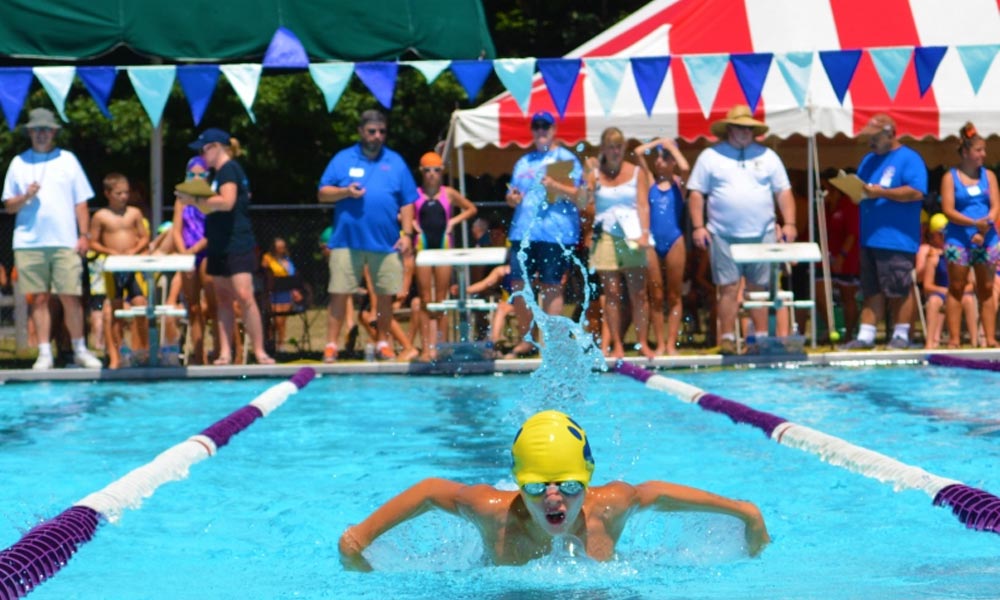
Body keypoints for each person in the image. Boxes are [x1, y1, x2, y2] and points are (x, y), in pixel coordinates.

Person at [338, 409, 770, 570]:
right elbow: (432, 490)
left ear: (586, 480)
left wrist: (743, 511)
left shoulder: (608, 507)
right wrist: (362, 535)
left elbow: (654, 492)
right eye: (535, 486)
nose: (553, 497)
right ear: (519, 485)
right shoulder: (495, 513)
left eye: (568, 485)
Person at [687, 105, 796, 355]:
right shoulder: (710, 156)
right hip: (723, 233)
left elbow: (783, 191)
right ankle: (726, 338)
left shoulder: (768, 156)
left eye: (749, 128)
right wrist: (698, 226)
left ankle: (758, 339)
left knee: (758, 288)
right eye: (740, 127)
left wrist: (789, 223)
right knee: (727, 287)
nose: (745, 132)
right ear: (729, 129)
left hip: (763, 232)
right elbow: (696, 193)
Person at [1, 107, 102, 370]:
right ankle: (44, 352)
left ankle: (80, 348)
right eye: (37, 130)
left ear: (54, 132)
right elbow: (9, 206)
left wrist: (84, 235)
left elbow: (81, 202)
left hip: (65, 240)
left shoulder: (68, 160)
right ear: (30, 133)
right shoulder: (18, 163)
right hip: (29, 241)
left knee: (70, 297)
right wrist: (25, 196)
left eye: (46, 129)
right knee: (40, 298)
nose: (41, 134)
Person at [318, 109, 417, 362]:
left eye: (382, 132)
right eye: (372, 131)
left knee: (385, 295)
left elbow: (407, 201)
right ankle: (331, 345)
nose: (377, 136)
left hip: (385, 242)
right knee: (340, 292)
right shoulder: (343, 159)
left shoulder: (395, 162)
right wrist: (345, 192)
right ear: (361, 132)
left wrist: (406, 233)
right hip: (346, 241)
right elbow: (322, 193)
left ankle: (383, 341)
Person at [175, 128, 274, 365]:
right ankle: (225, 352)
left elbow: (227, 203)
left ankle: (259, 351)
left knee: (244, 295)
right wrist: (193, 200)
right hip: (219, 242)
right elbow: (213, 208)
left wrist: (195, 200)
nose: (202, 154)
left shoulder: (229, 170)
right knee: (222, 299)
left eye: (204, 149)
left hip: (236, 242)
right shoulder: (216, 174)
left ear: (216, 148)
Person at [841, 114, 928, 350]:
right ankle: (866, 335)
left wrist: (882, 193)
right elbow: (863, 190)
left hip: (896, 238)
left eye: (875, 138)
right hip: (870, 236)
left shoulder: (909, 159)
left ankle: (901, 334)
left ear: (890, 134)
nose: (870, 143)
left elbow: (917, 192)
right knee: (871, 289)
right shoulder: (868, 160)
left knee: (899, 288)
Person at [504, 111, 584, 358]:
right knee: (518, 285)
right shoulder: (523, 162)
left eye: (545, 126)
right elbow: (513, 195)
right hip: (523, 232)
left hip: (555, 233)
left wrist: (556, 186)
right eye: (536, 126)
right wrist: (511, 199)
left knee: (551, 287)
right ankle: (527, 339)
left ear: (554, 129)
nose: (540, 131)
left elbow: (582, 198)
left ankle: (552, 343)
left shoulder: (566, 159)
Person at [580, 127, 653, 359]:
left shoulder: (636, 172)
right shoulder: (595, 173)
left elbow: (643, 204)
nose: (614, 151)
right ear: (603, 149)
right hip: (605, 236)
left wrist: (644, 233)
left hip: (631, 234)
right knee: (611, 292)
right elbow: (582, 202)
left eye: (618, 146)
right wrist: (587, 177)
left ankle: (642, 343)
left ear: (623, 149)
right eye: (610, 146)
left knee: (638, 293)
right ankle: (617, 344)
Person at [940, 122, 1000, 348]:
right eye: (979, 150)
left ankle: (990, 337)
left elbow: (995, 205)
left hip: (988, 238)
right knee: (957, 286)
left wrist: (985, 226)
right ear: (965, 152)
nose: (983, 154)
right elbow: (948, 210)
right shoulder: (950, 177)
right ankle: (955, 338)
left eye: (984, 150)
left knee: (985, 288)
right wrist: (974, 224)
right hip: (959, 239)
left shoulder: (989, 176)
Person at [413, 151, 477, 361]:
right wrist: (413, 226)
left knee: (441, 300)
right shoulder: (415, 194)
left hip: (443, 246)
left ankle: (441, 347)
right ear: (422, 172)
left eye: (437, 170)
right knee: (425, 300)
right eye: (428, 170)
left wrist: (453, 222)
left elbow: (471, 208)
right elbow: (400, 212)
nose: (432, 174)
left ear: (442, 172)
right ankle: (425, 348)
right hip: (422, 247)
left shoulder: (448, 193)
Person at [88, 173, 151, 369]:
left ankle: (142, 351)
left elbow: (144, 237)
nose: (124, 197)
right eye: (118, 193)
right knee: (113, 311)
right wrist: (110, 252)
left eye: (126, 193)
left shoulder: (134, 213)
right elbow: (93, 242)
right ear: (107, 193)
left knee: (141, 305)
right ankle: (115, 355)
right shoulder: (100, 216)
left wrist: (134, 250)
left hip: (132, 266)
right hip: (113, 268)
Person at [636, 137, 690, 355]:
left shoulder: (680, 185)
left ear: (672, 161)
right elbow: (639, 152)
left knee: (674, 295)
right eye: (658, 157)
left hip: (675, 240)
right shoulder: (650, 183)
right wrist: (658, 142)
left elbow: (685, 166)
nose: (659, 161)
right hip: (652, 242)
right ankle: (659, 343)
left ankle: (671, 344)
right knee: (656, 296)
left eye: (665, 157)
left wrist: (671, 148)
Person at [171, 157, 217, 365]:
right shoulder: (181, 199)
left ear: (207, 176)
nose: (196, 178)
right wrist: (184, 254)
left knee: (214, 306)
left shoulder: (211, 198)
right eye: (192, 174)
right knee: (194, 308)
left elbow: (213, 231)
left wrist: (194, 250)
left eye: (201, 174)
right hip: (187, 254)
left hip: (206, 252)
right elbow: (176, 230)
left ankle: (222, 351)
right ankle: (200, 355)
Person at [817, 169, 861, 342]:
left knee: (847, 296)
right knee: (819, 291)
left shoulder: (848, 204)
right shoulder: (824, 207)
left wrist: (842, 256)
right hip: (826, 256)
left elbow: (852, 233)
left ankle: (849, 334)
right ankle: (830, 327)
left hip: (847, 257)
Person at [261, 236, 303, 352]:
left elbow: (292, 277)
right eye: (279, 247)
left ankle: (281, 345)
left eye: (283, 247)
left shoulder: (287, 260)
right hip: (273, 293)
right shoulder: (267, 258)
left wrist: (295, 290)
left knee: (282, 320)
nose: (281, 249)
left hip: (286, 293)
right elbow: (264, 274)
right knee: (275, 320)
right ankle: (270, 342)